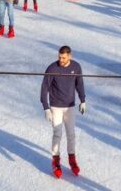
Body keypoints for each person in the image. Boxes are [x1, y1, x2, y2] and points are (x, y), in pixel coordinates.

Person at [40, 45, 87, 179]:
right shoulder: (52, 68)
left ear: (69, 56)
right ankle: (56, 161)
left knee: (71, 134)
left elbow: (80, 84)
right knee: (57, 134)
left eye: (63, 58)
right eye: (59, 57)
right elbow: (44, 88)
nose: (61, 59)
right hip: (56, 107)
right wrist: (46, 107)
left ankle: (72, 160)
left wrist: (83, 100)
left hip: (70, 107)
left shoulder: (76, 67)